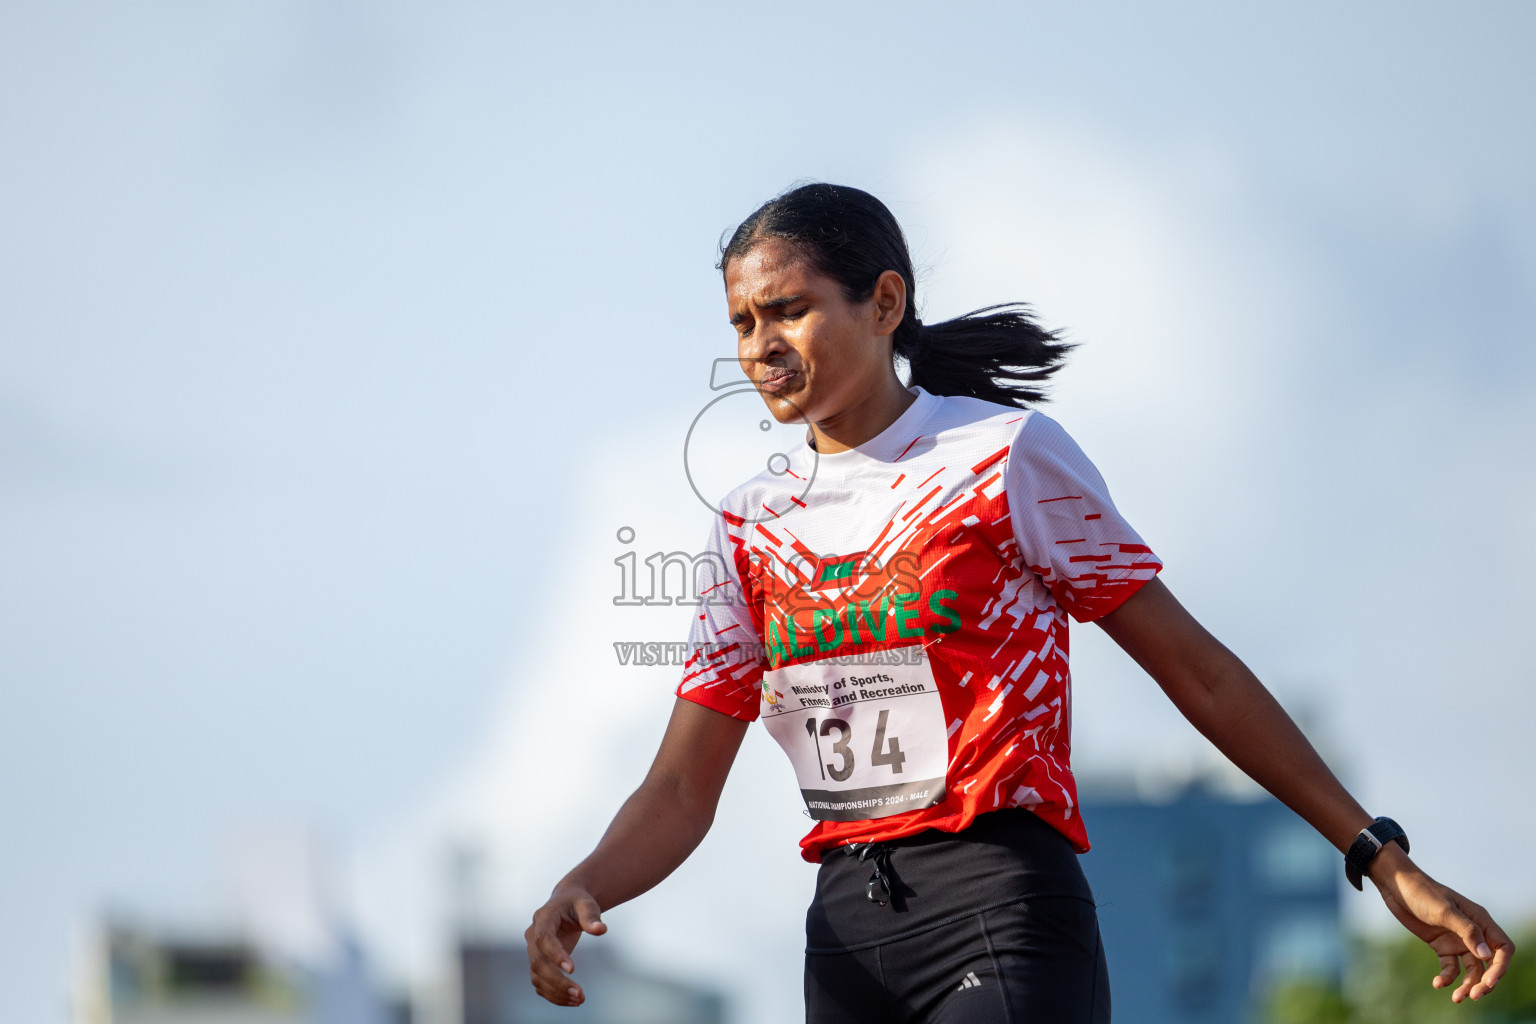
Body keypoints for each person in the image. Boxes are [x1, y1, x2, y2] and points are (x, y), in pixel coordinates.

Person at [525, 183, 1515, 1022]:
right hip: (843, 939)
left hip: (997, 906)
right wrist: (588, 882)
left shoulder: (1001, 457)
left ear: (882, 302)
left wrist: (1377, 854)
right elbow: (681, 786)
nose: (761, 345)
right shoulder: (750, 526)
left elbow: (1198, 670)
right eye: (743, 323)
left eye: (787, 309)